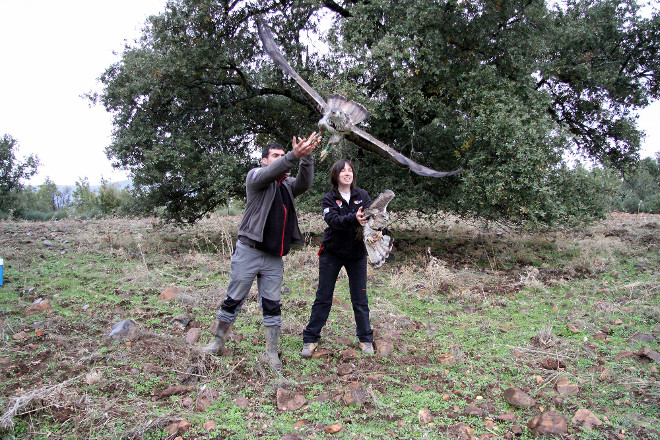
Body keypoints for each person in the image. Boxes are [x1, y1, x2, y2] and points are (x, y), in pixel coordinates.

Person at [204, 132, 321, 372]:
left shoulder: (287, 185)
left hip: (274, 256)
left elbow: (305, 183)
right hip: (249, 250)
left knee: (272, 304)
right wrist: (291, 155)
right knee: (233, 299)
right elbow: (271, 172)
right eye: (275, 156)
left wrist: (306, 157)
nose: (281, 160)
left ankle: (271, 353)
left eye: (282, 155)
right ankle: (217, 342)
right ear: (265, 160)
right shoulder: (256, 177)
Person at [301, 159, 374, 358]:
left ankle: (366, 339)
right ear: (336, 175)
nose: (347, 173)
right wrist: (354, 218)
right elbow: (333, 221)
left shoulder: (363, 196)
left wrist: (378, 231)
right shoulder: (328, 198)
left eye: (350, 170)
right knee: (323, 297)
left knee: (360, 299)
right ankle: (310, 339)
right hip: (332, 252)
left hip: (357, 254)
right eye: (343, 170)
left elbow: (373, 218)